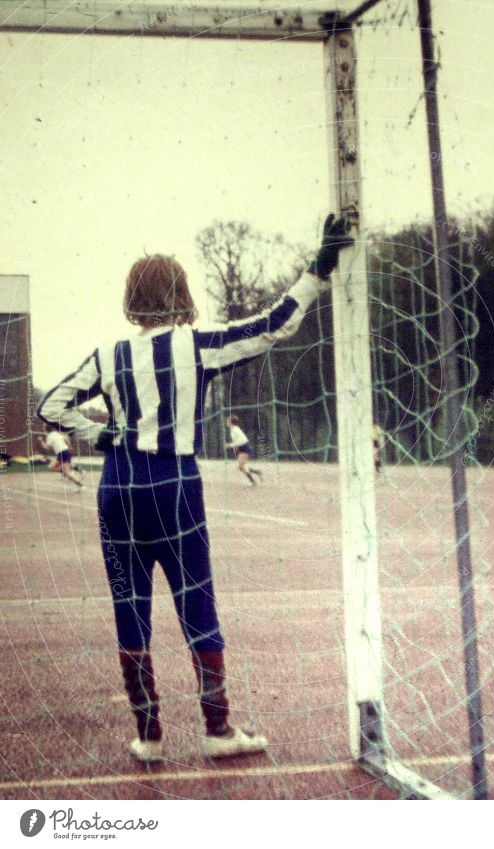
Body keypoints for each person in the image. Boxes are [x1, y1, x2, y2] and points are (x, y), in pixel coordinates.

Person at [37, 214, 353, 762]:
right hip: (173, 484)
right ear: (181, 293)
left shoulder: (107, 354)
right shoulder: (196, 344)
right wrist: (317, 269)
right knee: (196, 603)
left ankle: (150, 736)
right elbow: (274, 325)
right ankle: (217, 727)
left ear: (131, 299)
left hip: (118, 487)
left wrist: (104, 433)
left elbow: (50, 406)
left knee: (129, 605)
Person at [226, 414, 262, 485]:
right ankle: (258, 472)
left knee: (241, 466)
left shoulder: (235, 430)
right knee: (241, 467)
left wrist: (230, 445)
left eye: (227, 421)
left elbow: (239, 442)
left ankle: (253, 482)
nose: (226, 422)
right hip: (242, 448)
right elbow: (237, 441)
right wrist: (234, 447)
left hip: (245, 448)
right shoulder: (233, 430)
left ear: (231, 422)